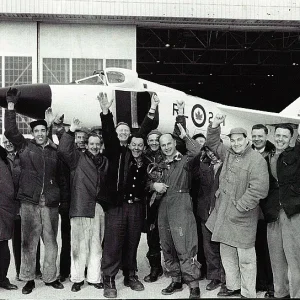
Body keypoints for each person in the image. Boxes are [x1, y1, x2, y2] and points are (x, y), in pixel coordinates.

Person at [99, 91, 159, 298]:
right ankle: (108, 278)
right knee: (113, 242)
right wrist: (106, 112)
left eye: (127, 131)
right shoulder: (116, 151)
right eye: (121, 131)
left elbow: (143, 132)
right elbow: (108, 132)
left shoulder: (141, 156)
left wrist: (152, 110)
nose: (125, 134)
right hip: (117, 205)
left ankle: (130, 274)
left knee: (132, 241)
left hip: (135, 206)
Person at [4, 87, 65, 295]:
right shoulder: (25, 147)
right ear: (33, 133)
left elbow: (62, 176)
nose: (39, 134)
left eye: (42, 131)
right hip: (29, 202)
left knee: (51, 243)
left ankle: (50, 277)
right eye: (36, 131)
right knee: (28, 243)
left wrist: (59, 198)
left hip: (49, 203)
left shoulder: (55, 151)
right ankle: (28, 279)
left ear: (46, 132)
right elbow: (10, 131)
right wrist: (10, 106)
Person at [205, 114, 269, 298]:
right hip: (224, 215)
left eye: (239, 140)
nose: (236, 143)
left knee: (246, 259)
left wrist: (240, 206)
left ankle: (248, 293)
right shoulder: (228, 154)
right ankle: (233, 287)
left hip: (243, 218)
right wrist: (215, 125)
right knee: (227, 255)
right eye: (232, 141)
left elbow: (259, 189)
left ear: (247, 140)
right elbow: (213, 142)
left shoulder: (256, 160)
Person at [152, 100, 201, 299]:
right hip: (163, 204)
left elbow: (196, 150)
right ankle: (176, 280)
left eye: (169, 144)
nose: (166, 148)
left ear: (174, 143)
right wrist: (153, 186)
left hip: (181, 203)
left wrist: (184, 135)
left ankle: (194, 284)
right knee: (167, 244)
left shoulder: (185, 161)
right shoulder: (158, 163)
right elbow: (149, 181)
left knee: (185, 244)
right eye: (163, 145)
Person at [58, 117, 109, 293]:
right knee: (78, 245)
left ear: (100, 145)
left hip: (98, 208)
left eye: (97, 144)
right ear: (86, 145)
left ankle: (94, 278)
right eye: (91, 144)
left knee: (96, 245)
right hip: (80, 207)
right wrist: (70, 131)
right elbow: (64, 149)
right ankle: (77, 278)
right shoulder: (77, 159)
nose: (94, 146)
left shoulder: (105, 161)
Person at [260, 123, 300, 298]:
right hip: (273, 215)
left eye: (285, 136)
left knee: (296, 259)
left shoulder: (296, 155)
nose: (280, 139)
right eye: (278, 135)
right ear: (273, 136)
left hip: (292, 214)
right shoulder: (266, 157)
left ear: (291, 138)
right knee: (276, 259)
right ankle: (280, 293)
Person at [190, 145, 225, 292]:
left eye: (214, 150)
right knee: (209, 248)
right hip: (205, 212)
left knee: (225, 248)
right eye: (208, 151)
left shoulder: (228, 165)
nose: (211, 154)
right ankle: (215, 276)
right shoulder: (203, 167)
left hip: (223, 213)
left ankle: (227, 278)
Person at [251, 124, 275, 298]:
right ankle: (259, 282)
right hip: (251, 210)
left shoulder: (272, 155)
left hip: (267, 209)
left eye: (260, 136)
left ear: (266, 136)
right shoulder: (247, 153)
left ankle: (272, 285)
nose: (257, 138)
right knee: (255, 247)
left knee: (269, 249)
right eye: (254, 135)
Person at [143, 129, 164, 283]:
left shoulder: (168, 154)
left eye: (157, 139)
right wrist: (152, 186)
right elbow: (139, 181)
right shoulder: (143, 158)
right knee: (152, 235)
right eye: (151, 140)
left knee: (171, 236)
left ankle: (175, 267)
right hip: (150, 202)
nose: (154, 142)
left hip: (168, 200)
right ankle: (155, 267)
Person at [0, 144, 18, 291]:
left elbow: (8, 190)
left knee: (2, 246)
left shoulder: (1, 161)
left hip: (1, 211)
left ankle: (2, 279)